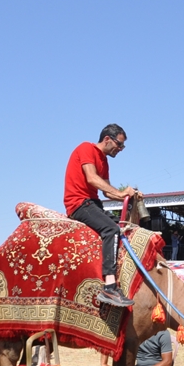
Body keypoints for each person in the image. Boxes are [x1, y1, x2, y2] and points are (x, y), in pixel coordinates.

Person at [63, 124, 139, 308]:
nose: (120, 149)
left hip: (93, 203)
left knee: (124, 229)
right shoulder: (86, 148)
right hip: (79, 203)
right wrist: (121, 194)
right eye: (119, 145)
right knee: (110, 229)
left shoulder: (104, 161)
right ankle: (110, 287)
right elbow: (92, 178)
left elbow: (107, 192)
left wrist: (128, 194)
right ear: (107, 139)